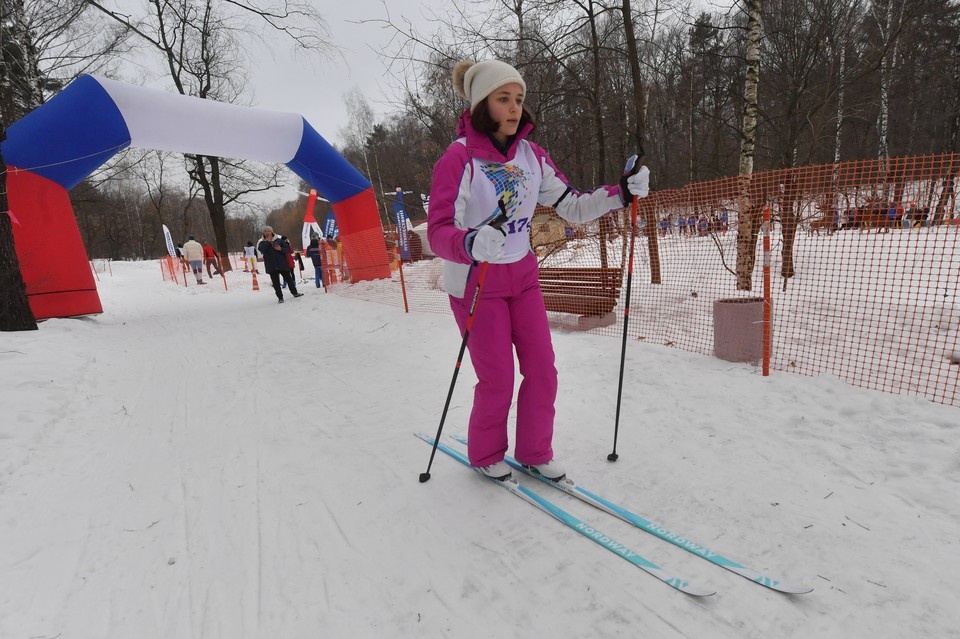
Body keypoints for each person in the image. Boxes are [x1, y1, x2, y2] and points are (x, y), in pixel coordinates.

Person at [427, 59, 650, 482]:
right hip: (477, 283)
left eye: (519, 99)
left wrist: (621, 192)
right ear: (481, 104)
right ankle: (486, 452)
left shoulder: (532, 156)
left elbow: (575, 205)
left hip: (523, 277)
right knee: (498, 378)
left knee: (543, 369)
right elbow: (438, 231)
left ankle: (535, 451)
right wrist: (470, 243)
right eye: (503, 99)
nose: (514, 108)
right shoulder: (459, 160)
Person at [257, 226, 303, 303]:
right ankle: (280, 297)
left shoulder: (279, 240)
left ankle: (295, 293)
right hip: (271, 266)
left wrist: (280, 249)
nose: (267, 232)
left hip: (282, 264)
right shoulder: (262, 242)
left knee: (289, 279)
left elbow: (288, 249)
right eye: (265, 231)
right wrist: (268, 242)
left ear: (272, 232)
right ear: (263, 233)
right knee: (276, 283)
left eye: (269, 231)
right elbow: (261, 249)